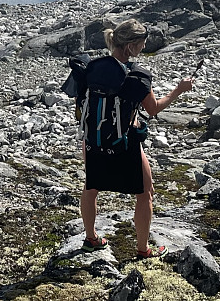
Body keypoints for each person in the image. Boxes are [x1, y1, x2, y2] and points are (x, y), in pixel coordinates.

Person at [79, 18, 193, 258]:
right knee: (145, 192)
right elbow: (153, 109)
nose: (143, 48)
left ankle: (91, 238)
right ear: (130, 46)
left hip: (93, 139)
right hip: (124, 142)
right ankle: (143, 249)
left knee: (91, 187)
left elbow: (82, 104)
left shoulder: (93, 67)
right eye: (142, 44)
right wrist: (178, 91)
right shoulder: (138, 75)